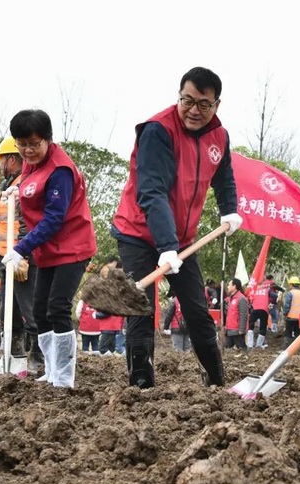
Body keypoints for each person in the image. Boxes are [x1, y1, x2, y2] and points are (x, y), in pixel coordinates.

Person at [110, 66, 241, 389]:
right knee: (140, 308)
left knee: (197, 310)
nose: (194, 110)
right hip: (138, 234)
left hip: (183, 240)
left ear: (217, 105)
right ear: (179, 96)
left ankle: (216, 382)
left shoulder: (219, 137)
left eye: (204, 104)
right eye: (187, 101)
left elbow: (224, 176)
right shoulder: (158, 131)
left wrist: (229, 209)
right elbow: (151, 192)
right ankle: (141, 386)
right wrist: (166, 246)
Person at [0, 109, 97, 388]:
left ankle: (64, 377)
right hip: (48, 250)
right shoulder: (31, 164)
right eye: (22, 144)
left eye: (34, 144)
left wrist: (21, 248)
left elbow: (54, 218)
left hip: (71, 247)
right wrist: (17, 190)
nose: (28, 150)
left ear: (48, 139)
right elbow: (32, 185)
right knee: (40, 310)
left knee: (57, 308)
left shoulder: (60, 170)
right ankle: (51, 369)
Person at [0, 136, 41, 372]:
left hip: (22, 260)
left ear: (12, 160)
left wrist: (24, 256)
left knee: (30, 309)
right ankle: (14, 357)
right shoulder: (8, 187)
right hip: (6, 259)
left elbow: (28, 223)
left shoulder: (26, 185)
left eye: (1, 160)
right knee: (9, 311)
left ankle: (39, 358)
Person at [247, 274, 273, 349]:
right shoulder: (267, 290)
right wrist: (271, 302)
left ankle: (250, 345)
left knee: (251, 325)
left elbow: (248, 297)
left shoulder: (253, 290)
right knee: (263, 327)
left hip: (254, 309)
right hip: (264, 309)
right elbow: (274, 296)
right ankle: (259, 345)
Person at [224, 278, 249, 354]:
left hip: (237, 330)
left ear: (234, 286)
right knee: (227, 350)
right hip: (229, 329)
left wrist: (241, 329)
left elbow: (243, 314)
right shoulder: (230, 299)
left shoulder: (241, 298)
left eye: (229, 285)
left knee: (242, 350)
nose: (227, 286)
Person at [282, 276, 300, 348]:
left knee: (288, 333)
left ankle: (287, 348)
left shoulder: (290, 293)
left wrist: (285, 314)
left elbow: (287, 305)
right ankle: (297, 348)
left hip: (290, 317)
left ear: (292, 284)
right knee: (298, 334)